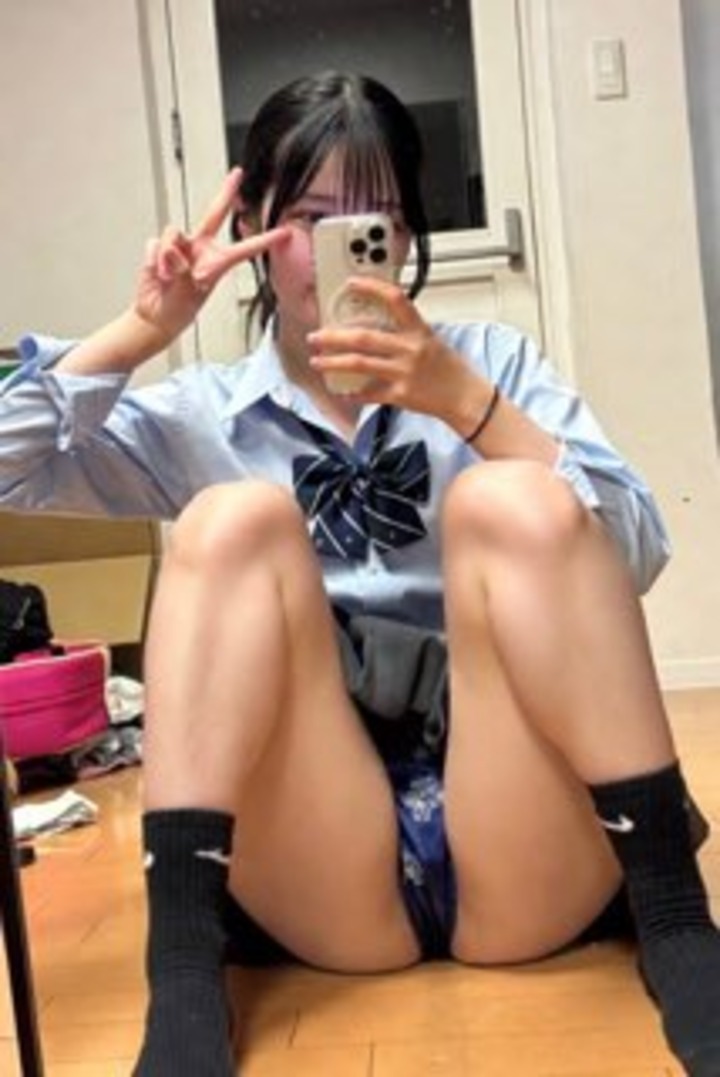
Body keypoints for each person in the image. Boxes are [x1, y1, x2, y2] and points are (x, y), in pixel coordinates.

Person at [1, 70, 719, 1076]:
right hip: (322, 859)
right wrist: (142, 332)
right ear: (253, 229)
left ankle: (679, 927)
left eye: (375, 215)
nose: (342, 243)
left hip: (518, 828)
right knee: (234, 517)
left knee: (511, 498)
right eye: (309, 217)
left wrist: (468, 407)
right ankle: (185, 975)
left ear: (409, 232)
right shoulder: (202, 411)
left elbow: (631, 553)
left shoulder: (491, 365)